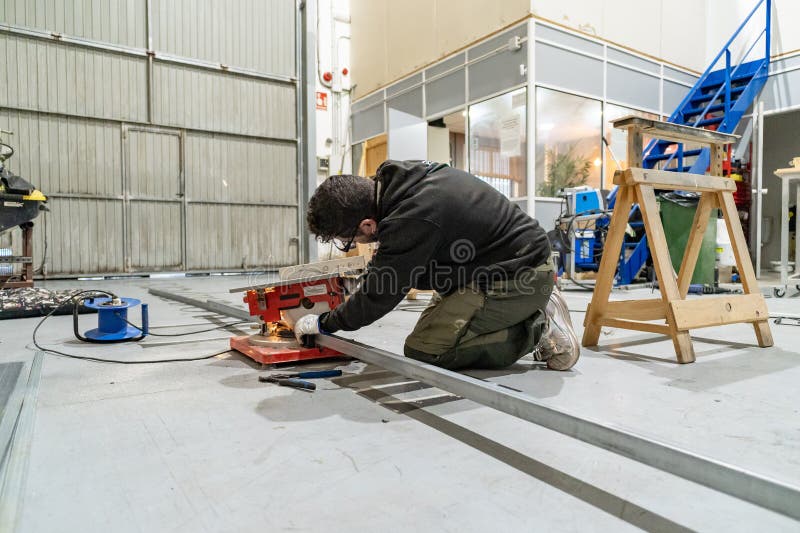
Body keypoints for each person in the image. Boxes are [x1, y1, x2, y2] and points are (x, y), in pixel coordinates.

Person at [294, 160, 580, 371]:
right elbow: (397, 271)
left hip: (521, 275)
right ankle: (526, 310)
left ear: (368, 224)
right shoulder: (397, 184)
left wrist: (325, 322)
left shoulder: (411, 217)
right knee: (431, 335)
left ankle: (538, 326)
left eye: (349, 240)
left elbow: (378, 296)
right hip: (490, 266)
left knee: (427, 352)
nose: (352, 245)